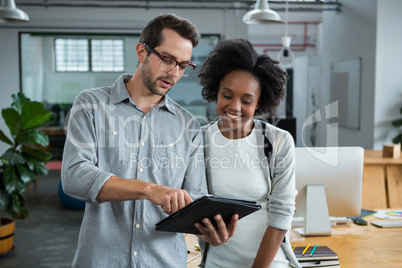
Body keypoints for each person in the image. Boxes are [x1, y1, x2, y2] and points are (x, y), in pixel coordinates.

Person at [61, 14, 237, 268]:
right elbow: (74, 176)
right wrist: (149, 190)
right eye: (167, 59)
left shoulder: (188, 126)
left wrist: (209, 231)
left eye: (183, 65)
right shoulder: (91, 105)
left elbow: (194, 202)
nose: (174, 72)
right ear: (142, 52)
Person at [198, 39, 300, 268]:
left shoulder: (278, 142)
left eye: (246, 100)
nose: (234, 107)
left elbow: (281, 215)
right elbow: (194, 205)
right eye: (227, 95)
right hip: (216, 262)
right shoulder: (199, 141)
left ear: (259, 102)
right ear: (216, 92)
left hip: (270, 263)